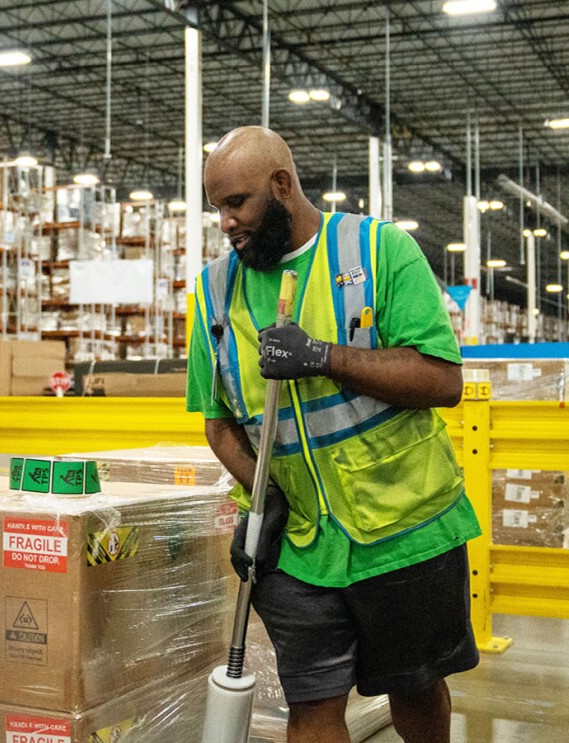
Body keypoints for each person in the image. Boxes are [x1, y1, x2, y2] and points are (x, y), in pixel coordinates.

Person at [186, 126, 481, 743]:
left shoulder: (379, 251)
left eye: (235, 202)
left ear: (282, 186)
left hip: (405, 532)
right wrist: (261, 493)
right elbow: (217, 422)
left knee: (417, 686)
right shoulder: (215, 290)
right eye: (217, 207)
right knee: (311, 705)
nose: (225, 222)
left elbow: (441, 379)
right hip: (298, 546)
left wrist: (323, 356)